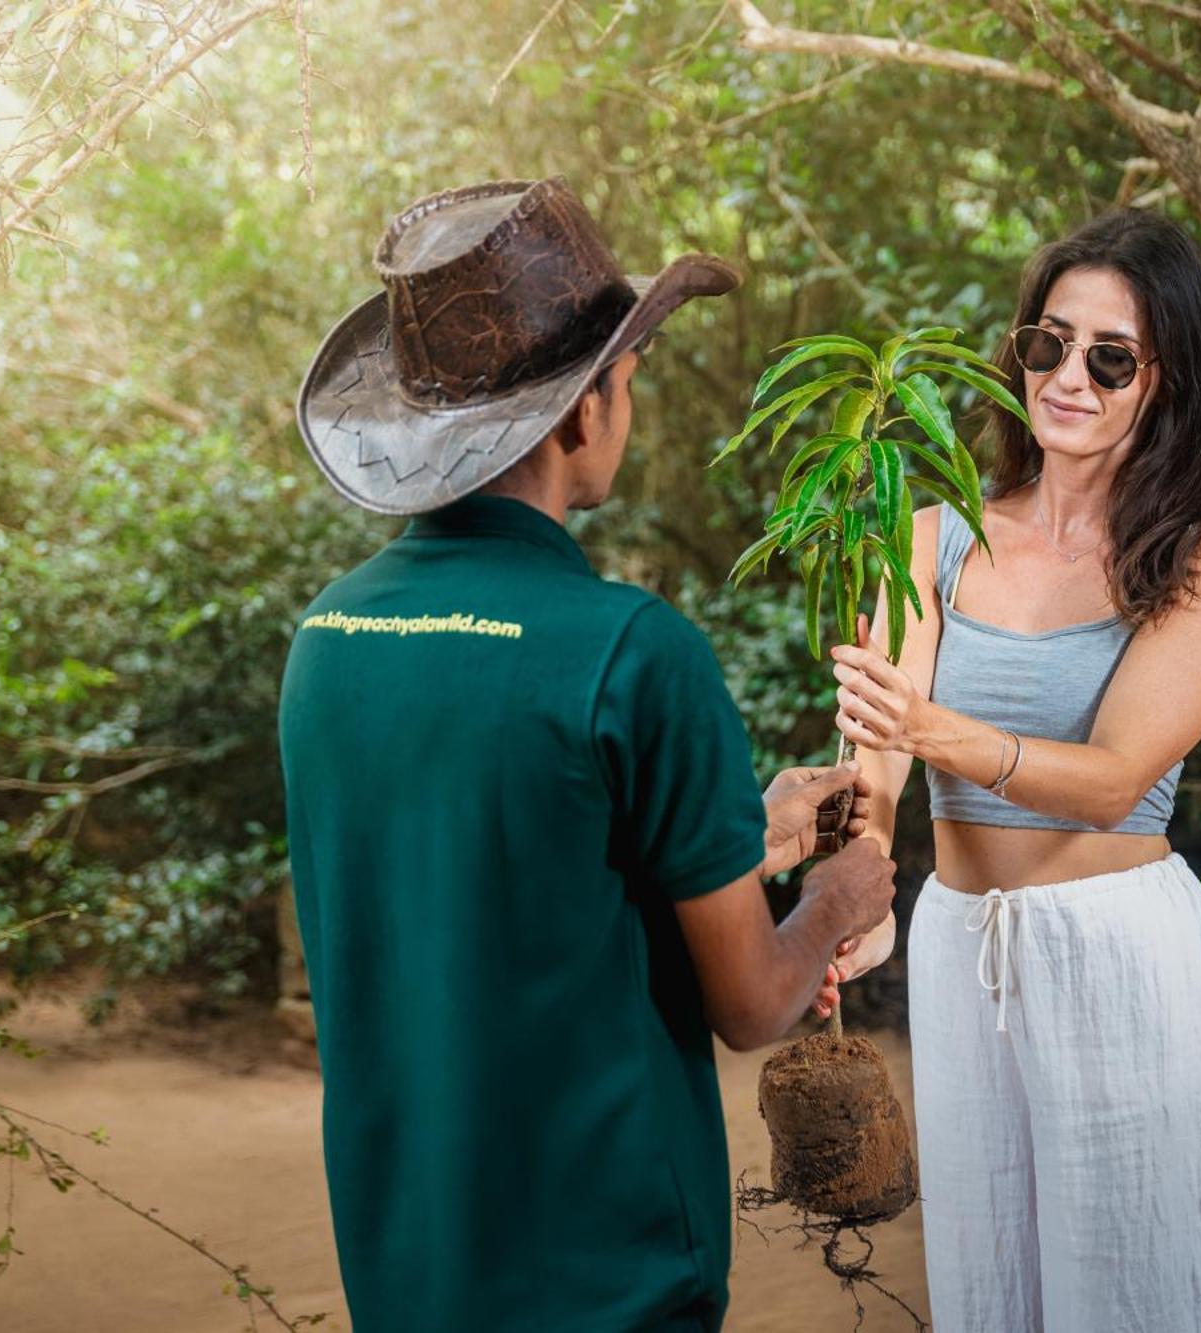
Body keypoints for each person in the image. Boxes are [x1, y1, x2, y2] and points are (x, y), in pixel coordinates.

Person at [279, 177, 897, 1333]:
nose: (629, 401)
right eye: (627, 377)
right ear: (578, 415)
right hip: (604, 1274)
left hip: (405, 1263)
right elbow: (755, 1002)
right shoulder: (633, 652)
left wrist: (741, 831)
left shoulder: (329, 637)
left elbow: (507, 870)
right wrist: (830, 896)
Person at [817, 208, 1201, 1331]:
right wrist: (851, 889)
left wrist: (935, 732)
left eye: (1108, 358)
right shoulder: (925, 536)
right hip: (962, 950)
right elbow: (873, 751)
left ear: (1164, 380)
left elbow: (1114, 777)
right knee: (992, 1288)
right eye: (1046, 343)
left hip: (1120, 951)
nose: (1068, 377)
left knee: (1140, 1282)